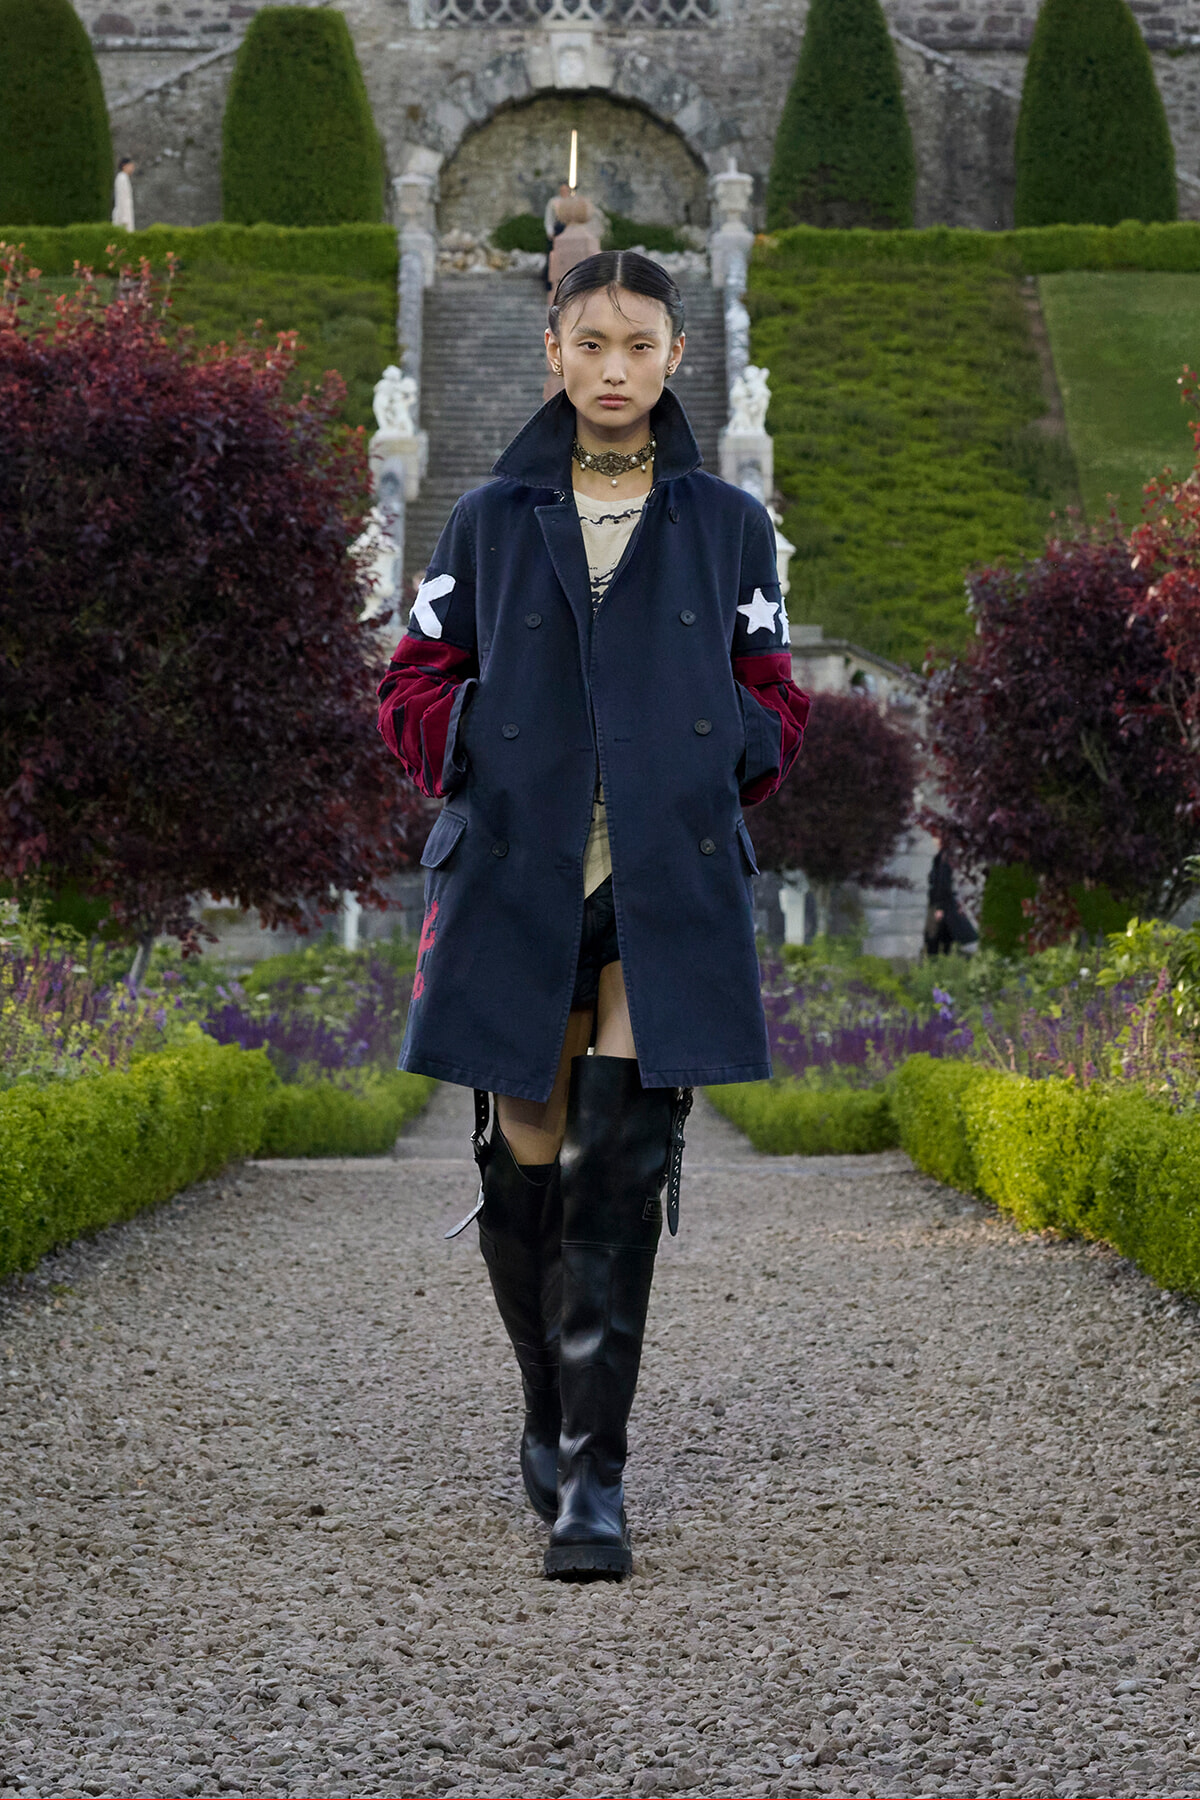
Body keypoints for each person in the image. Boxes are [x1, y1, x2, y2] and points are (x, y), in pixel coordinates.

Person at [377, 251, 810, 1580]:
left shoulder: (728, 524)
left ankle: (595, 1483)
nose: (616, 367)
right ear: (553, 355)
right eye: (592, 343)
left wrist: (709, 750)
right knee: (524, 1168)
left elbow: (776, 694)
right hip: (517, 871)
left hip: (660, 882)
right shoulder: (490, 517)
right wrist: (491, 742)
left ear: (679, 355)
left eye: (640, 343)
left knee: (618, 1161)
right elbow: (413, 680)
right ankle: (547, 1409)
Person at [924, 842, 978, 956]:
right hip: (941, 903)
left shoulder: (945, 860)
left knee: (937, 938)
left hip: (942, 904)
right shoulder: (941, 858)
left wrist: (939, 908)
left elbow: (942, 885)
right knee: (941, 938)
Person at [111, 157, 136, 232]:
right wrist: (124, 218)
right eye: (131, 166)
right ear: (124, 166)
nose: (132, 168)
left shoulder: (124, 178)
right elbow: (122, 199)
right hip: (122, 216)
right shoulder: (122, 178)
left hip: (125, 214)